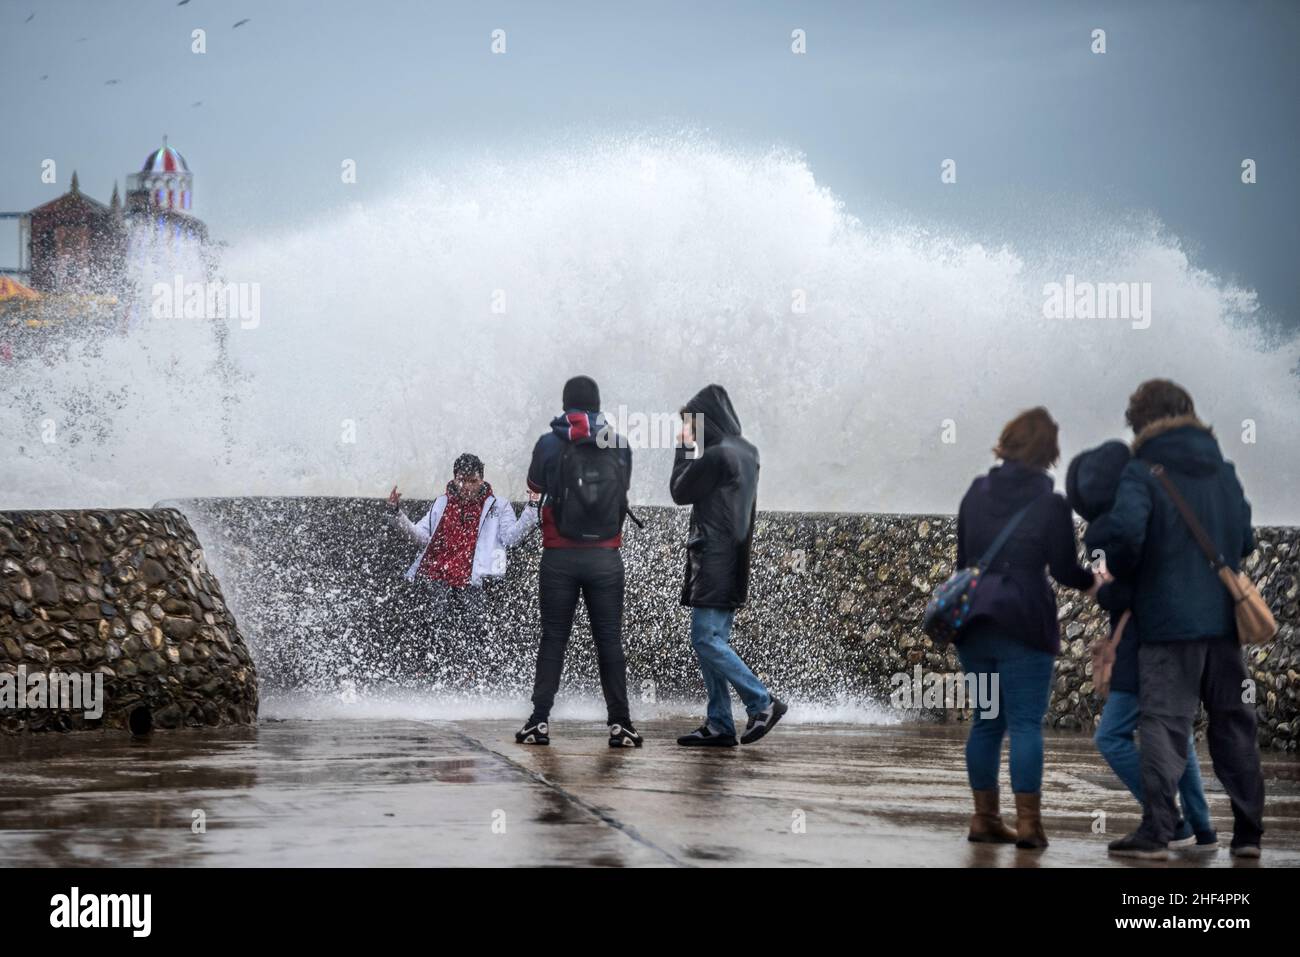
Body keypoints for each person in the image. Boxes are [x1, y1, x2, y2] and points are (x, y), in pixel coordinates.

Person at [1084, 380, 1263, 860]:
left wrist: (1124, 573)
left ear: (1140, 423)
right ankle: (1248, 836)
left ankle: (1158, 831)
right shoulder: (1223, 470)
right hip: (1224, 625)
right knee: (1233, 726)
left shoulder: (1142, 473)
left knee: (1164, 725)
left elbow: (1124, 535)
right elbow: (1244, 540)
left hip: (1167, 625)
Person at [955, 407, 1099, 848]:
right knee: (1023, 725)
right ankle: (1030, 826)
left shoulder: (975, 493)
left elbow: (963, 564)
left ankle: (984, 819)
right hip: (1025, 626)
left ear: (1007, 441)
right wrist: (1095, 582)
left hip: (974, 626)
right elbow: (1062, 569)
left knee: (985, 722)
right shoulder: (1051, 503)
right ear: (1049, 453)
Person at [1067, 441, 1217, 853]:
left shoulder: (1105, 529)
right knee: (1178, 734)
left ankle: (1169, 820)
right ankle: (1202, 828)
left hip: (1142, 646)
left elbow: (1116, 591)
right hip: (1189, 635)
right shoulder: (1161, 508)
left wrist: (1101, 593)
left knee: (1111, 736)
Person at [515, 375, 642, 748]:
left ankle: (539, 722)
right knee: (610, 641)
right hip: (606, 557)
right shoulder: (618, 444)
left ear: (565, 403)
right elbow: (622, 490)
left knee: (553, 639)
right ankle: (621, 725)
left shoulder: (548, 442)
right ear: (598, 404)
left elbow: (535, 486)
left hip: (559, 556)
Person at [670, 385, 786, 747]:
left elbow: (678, 491)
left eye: (691, 424)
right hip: (735, 560)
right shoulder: (747, 452)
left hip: (713, 560)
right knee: (714, 641)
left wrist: (684, 447)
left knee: (705, 639)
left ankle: (761, 701)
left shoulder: (716, 455)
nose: (689, 431)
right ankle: (719, 721)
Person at [387, 453, 538, 680]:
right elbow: (420, 537)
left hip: (472, 576)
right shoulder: (442, 502)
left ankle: (473, 674)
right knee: (432, 624)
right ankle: (425, 673)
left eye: (472, 480)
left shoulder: (498, 505)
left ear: (482, 480)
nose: (466, 486)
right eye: (461, 480)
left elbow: (512, 538)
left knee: (475, 627)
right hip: (437, 572)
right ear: (454, 478)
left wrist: (532, 507)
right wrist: (396, 513)